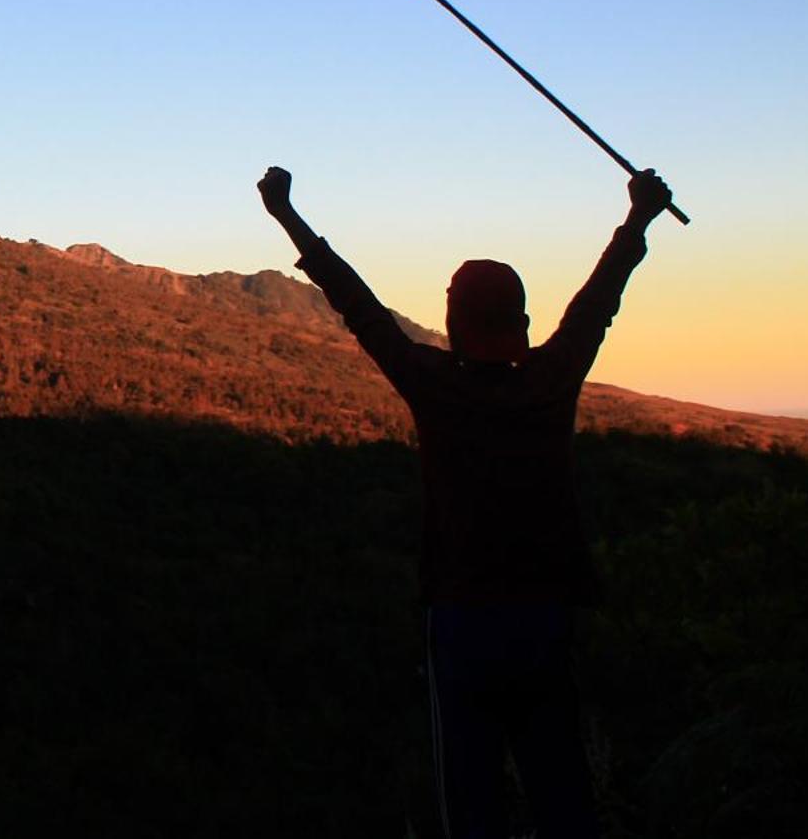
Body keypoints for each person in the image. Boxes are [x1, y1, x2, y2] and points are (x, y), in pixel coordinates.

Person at [257, 164, 674, 839]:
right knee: (563, 794)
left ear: (454, 321)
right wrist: (638, 219)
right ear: (519, 322)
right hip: (544, 616)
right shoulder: (550, 380)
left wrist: (285, 212)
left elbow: (357, 306)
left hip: (462, 621)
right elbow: (597, 304)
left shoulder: (435, 385)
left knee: (470, 805)